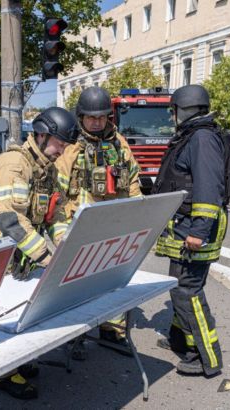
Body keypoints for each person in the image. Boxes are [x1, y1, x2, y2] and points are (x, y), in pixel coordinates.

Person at [0, 107, 78, 400]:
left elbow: (56, 215)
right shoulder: (13, 165)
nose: (62, 151)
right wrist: (48, 259)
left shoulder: (48, 170)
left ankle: (16, 359)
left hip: (18, 254)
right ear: (41, 135)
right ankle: (3, 373)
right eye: (59, 144)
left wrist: (65, 244)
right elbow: (11, 221)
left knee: (19, 310)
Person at [54, 86, 143, 356]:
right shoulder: (71, 146)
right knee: (76, 282)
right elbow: (58, 188)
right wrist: (61, 230)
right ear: (81, 117)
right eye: (91, 118)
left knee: (113, 278)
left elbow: (133, 179)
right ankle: (74, 335)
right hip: (80, 223)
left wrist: (139, 214)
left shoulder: (119, 143)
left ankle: (112, 330)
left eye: (102, 117)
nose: (97, 122)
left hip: (113, 223)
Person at [152, 84, 229, 377]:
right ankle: (181, 340)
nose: (171, 116)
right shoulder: (193, 135)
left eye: (173, 110)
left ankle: (206, 356)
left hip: (195, 232)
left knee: (188, 292)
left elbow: (208, 189)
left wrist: (198, 231)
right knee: (179, 287)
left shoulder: (202, 139)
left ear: (183, 109)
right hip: (185, 229)